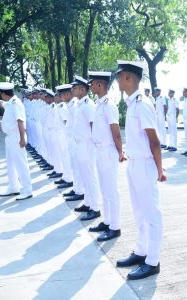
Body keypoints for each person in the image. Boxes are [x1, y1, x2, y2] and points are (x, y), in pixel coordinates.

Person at [114, 60, 166, 280]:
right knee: (139, 212)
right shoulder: (131, 103)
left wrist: (159, 170)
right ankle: (141, 251)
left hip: (145, 164)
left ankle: (152, 261)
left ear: (128, 77)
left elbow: (154, 141)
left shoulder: (143, 103)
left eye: (119, 76)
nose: (117, 80)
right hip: (134, 163)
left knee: (152, 214)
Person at [87, 71, 125, 241]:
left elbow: (115, 132)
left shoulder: (109, 105)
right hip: (100, 150)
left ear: (100, 85)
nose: (91, 86)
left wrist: (120, 151)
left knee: (112, 190)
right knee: (104, 188)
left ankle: (115, 226)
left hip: (109, 151)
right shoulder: (99, 104)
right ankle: (108, 221)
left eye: (93, 83)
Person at [0, 82, 32, 201]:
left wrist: (22, 138)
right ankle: (13, 187)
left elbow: (20, 121)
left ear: (3, 93)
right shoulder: (11, 102)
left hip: (16, 136)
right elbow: (2, 103)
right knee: (11, 164)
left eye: (0, 94)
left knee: (21, 164)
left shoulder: (16, 104)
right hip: (10, 137)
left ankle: (27, 190)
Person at [71, 75, 102, 220]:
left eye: (75, 88)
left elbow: (93, 124)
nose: (72, 90)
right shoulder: (80, 104)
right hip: (80, 144)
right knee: (84, 176)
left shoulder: (88, 104)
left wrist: (95, 143)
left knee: (90, 176)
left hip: (87, 144)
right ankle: (88, 203)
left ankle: (95, 208)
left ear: (83, 90)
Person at [63, 84, 85, 201]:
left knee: (77, 166)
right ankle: (77, 188)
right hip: (72, 139)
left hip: (76, 139)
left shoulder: (76, 105)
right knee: (74, 166)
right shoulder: (72, 105)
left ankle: (80, 191)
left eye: (74, 88)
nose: (62, 97)